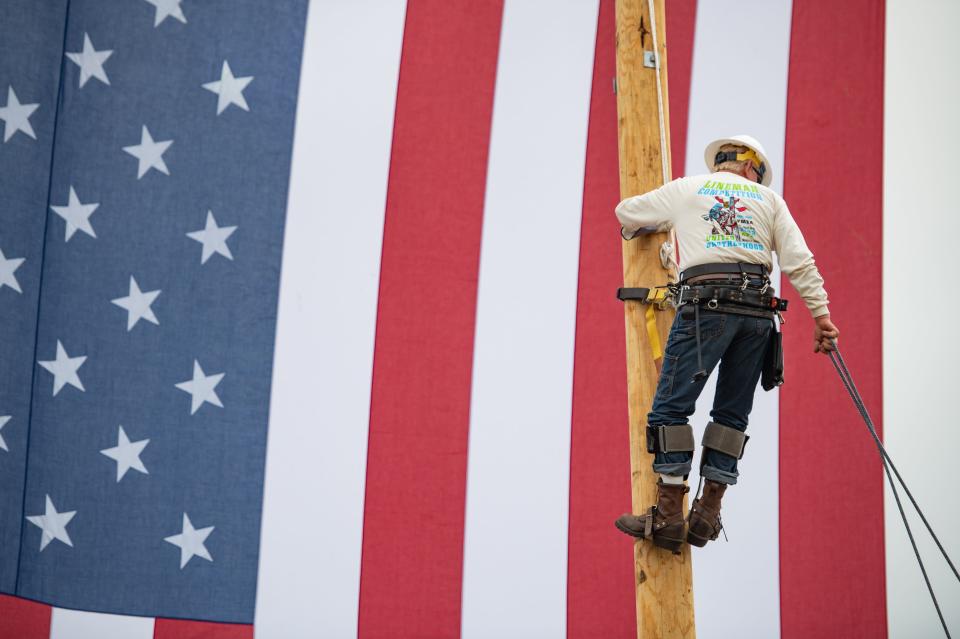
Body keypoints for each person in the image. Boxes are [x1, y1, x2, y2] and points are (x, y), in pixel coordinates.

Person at [612, 135, 839, 552]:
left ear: (720, 163)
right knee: (732, 414)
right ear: (753, 169)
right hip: (757, 314)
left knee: (671, 408)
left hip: (706, 307)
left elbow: (626, 212)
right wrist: (821, 318)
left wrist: (658, 223)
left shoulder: (689, 188)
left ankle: (668, 515)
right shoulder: (769, 201)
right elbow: (799, 262)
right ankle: (706, 514)